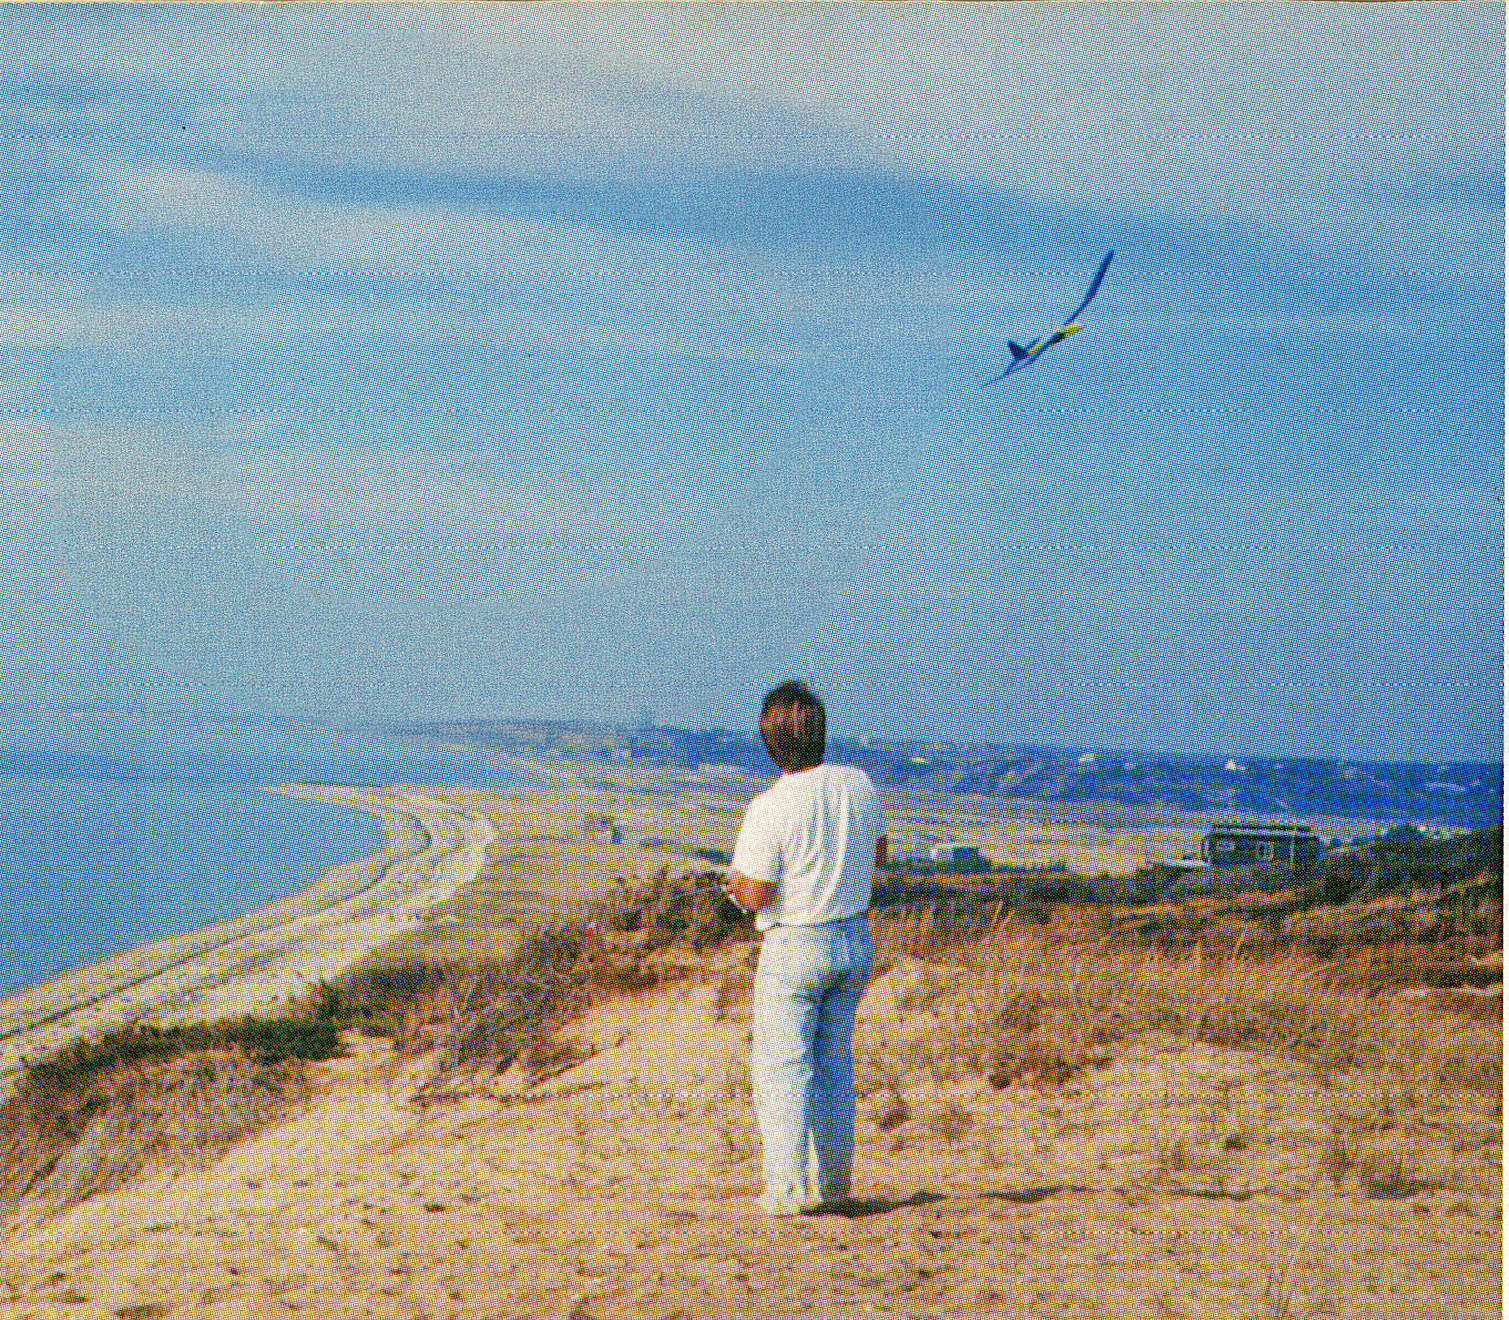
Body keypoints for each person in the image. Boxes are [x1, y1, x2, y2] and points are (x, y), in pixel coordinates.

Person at [724, 681, 888, 1216]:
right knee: (835, 1066)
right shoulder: (858, 784)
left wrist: (734, 888)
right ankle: (836, 1185)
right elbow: (879, 851)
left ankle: (785, 1189)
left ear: (771, 743)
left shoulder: (771, 805)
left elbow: (756, 892)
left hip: (795, 942)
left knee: (783, 1068)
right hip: (853, 936)